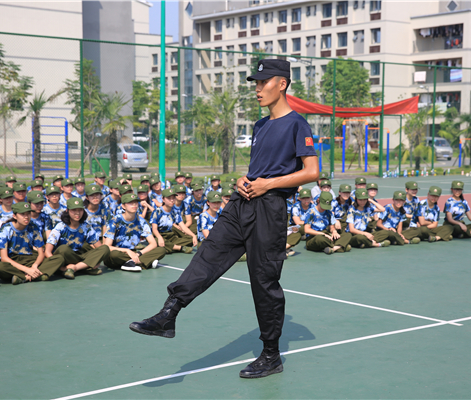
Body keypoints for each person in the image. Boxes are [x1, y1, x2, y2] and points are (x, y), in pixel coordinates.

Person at [130, 58, 319, 379]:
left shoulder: (297, 124)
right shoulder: (260, 126)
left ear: (282, 84)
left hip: (270, 209)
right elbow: (261, 168)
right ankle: (168, 315)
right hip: (242, 203)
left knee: (263, 280)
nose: (257, 89)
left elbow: (312, 172)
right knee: (208, 254)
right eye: (256, 83)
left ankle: (271, 355)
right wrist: (246, 180)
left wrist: (268, 184)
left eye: (263, 82)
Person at [0, 202, 62, 284]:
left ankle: (23, 277)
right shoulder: (6, 229)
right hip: (13, 261)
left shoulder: (33, 226)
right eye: (22, 214)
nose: (26, 217)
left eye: (28, 213)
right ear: (14, 216)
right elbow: (4, 258)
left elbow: (41, 253)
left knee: (59, 258)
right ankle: (35, 275)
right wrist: (27, 270)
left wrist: (34, 266)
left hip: (30, 259)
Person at [45, 197, 109, 279]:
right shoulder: (60, 226)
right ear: (67, 211)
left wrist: (97, 262)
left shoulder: (86, 226)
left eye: (80, 210)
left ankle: (75, 268)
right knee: (63, 249)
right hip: (63, 259)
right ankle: (82, 268)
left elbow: (99, 247)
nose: (77, 213)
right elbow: (47, 252)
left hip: (78, 256)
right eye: (74, 210)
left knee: (105, 248)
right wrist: (60, 267)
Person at [103, 193, 166, 272]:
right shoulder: (115, 220)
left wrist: (138, 253)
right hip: (118, 253)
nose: (134, 205)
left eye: (136, 202)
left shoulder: (141, 221)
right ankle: (142, 262)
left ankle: (131, 263)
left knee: (161, 250)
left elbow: (153, 243)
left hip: (134, 252)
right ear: (123, 206)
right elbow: (107, 246)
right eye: (130, 203)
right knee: (114, 255)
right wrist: (127, 251)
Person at [150, 188, 197, 254]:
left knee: (191, 240)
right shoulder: (157, 212)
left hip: (171, 236)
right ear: (163, 199)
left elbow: (183, 227)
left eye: (173, 198)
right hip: (158, 235)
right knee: (155, 241)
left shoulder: (175, 212)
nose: (172, 200)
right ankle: (180, 248)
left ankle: (169, 248)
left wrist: (193, 236)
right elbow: (154, 229)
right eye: (169, 198)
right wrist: (159, 237)